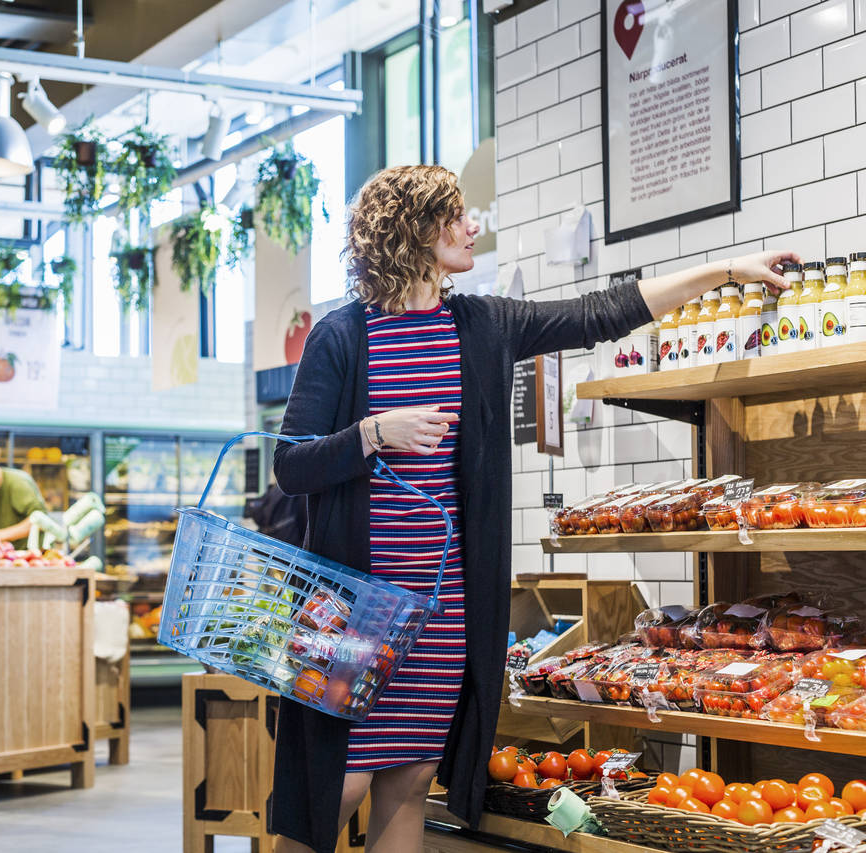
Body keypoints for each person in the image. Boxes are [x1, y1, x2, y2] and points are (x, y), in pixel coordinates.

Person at [269, 164, 798, 853]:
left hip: (444, 613)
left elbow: (599, 312)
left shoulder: (481, 325)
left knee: (410, 780)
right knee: (332, 790)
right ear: (414, 230)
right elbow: (292, 464)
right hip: (357, 615)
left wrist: (725, 271)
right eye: (454, 215)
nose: (471, 226)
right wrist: (373, 433)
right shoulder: (342, 336)